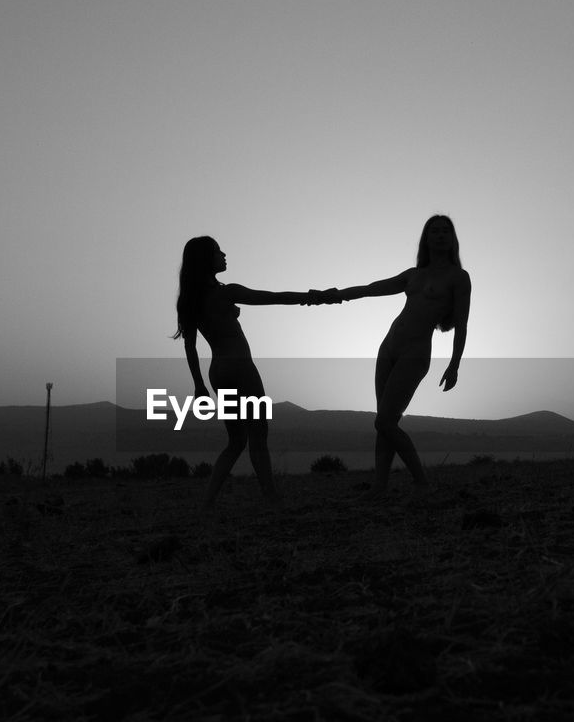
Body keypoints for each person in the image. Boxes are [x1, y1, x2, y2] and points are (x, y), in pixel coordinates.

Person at [172, 235, 337, 508]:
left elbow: (190, 347)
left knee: (236, 441)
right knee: (258, 437)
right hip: (241, 368)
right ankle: (271, 497)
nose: (224, 254)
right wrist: (313, 297)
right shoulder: (227, 293)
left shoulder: (190, 301)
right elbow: (274, 298)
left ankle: (207, 501)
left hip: (218, 372)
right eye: (217, 251)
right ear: (206, 259)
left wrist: (199, 385)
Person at [331, 214, 471, 498]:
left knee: (384, 422)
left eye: (446, 231)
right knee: (385, 421)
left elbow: (462, 324)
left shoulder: (459, 278)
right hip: (388, 347)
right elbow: (373, 289)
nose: (441, 235)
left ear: (453, 239)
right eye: (435, 231)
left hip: (415, 352)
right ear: (426, 238)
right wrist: (334, 294)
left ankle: (421, 482)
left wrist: (454, 365)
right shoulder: (413, 274)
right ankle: (380, 486)